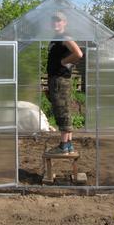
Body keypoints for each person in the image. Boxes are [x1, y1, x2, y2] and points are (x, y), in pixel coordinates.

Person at [46, 11, 83, 155]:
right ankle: (68, 144)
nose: (56, 23)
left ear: (64, 23)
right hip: (57, 80)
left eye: (59, 21)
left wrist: (63, 62)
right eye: (54, 20)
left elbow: (78, 54)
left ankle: (63, 146)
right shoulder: (56, 38)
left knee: (61, 110)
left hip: (59, 80)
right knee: (64, 109)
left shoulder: (64, 37)